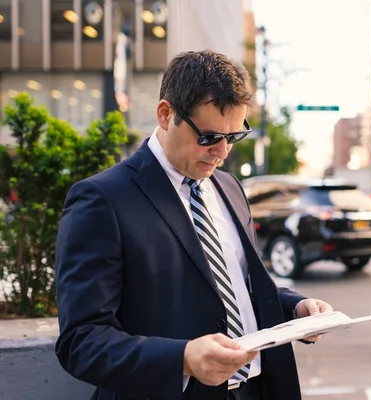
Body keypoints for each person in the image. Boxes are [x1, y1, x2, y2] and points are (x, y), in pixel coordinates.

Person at [55, 49, 333, 400]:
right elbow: (81, 342)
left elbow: (238, 286)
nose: (222, 152)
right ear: (166, 114)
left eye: (233, 137)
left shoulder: (229, 187)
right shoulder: (101, 200)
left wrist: (295, 307)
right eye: (209, 137)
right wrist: (182, 359)